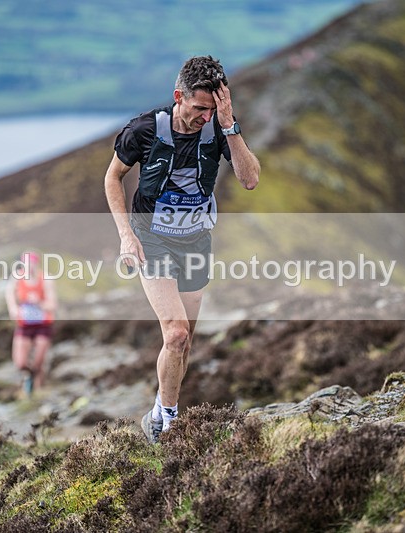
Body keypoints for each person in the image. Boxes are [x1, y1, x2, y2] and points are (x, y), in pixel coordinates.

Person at [104, 56, 260, 443]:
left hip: (196, 241)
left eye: (212, 109)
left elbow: (250, 179)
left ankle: (159, 409)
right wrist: (126, 235)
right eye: (199, 108)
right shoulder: (143, 130)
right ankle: (170, 425)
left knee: (185, 339)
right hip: (151, 238)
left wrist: (230, 125)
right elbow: (113, 178)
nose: (205, 117)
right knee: (174, 334)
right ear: (179, 96)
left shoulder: (220, 128)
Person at [5, 251, 57, 396]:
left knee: (38, 363)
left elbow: (52, 305)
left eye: (32, 264)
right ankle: (28, 378)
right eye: (26, 264)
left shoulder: (46, 279)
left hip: (43, 325)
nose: (29, 267)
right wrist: (13, 308)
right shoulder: (17, 277)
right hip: (25, 325)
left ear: (36, 264)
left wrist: (39, 303)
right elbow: (9, 293)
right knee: (20, 363)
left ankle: (37, 392)